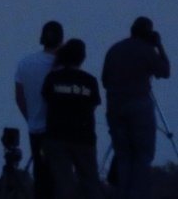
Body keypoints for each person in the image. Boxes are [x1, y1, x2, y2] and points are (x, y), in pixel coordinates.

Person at [101, 17, 170, 199]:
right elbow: (165, 71)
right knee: (142, 155)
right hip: (139, 105)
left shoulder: (114, 50)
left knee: (123, 155)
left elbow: (105, 81)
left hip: (115, 106)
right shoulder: (147, 51)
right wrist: (159, 46)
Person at [42, 39, 102, 199]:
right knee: (90, 184)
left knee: (63, 185)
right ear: (82, 58)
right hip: (84, 138)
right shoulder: (90, 81)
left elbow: (46, 100)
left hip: (56, 137)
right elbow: (93, 106)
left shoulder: (52, 78)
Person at [15, 20, 64, 199]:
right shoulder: (62, 67)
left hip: (35, 130)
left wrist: (30, 118)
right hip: (59, 132)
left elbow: (19, 96)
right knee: (60, 178)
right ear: (61, 41)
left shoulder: (24, 64)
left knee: (41, 177)